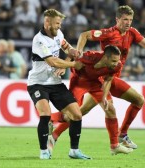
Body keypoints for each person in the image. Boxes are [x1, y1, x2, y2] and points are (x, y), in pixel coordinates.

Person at [51, 5, 145, 149]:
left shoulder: (132, 32)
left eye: (130, 20)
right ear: (117, 19)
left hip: (112, 77)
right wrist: (78, 53)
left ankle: (54, 133)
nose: (128, 22)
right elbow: (85, 35)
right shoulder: (109, 33)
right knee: (111, 107)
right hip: (103, 78)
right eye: (125, 19)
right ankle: (118, 140)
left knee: (83, 111)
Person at [26, 9, 90, 160]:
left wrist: (75, 54)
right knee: (45, 114)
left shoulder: (58, 35)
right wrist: (73, 64)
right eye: (56, 24)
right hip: (38, 83)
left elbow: (68, 48)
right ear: (47, 22)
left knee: (76, 114)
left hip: (55, 82)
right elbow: (52, 61)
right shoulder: (39, 40)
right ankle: (43, 151)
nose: (59, 27)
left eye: (60, 24)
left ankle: (74, 151)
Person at [50, 45, 133, 155]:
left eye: (117, 60)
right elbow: (72, 53)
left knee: (110, 109)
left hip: (95, 83)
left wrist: (103, 97)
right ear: (105, 57)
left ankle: (114, 145)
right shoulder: (89, 56)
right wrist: (63, 66)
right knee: (73, 113)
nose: (116, 63)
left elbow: (108, 79)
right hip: (79, 81)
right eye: (113, 60)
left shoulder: (116, 65)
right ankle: (50, 118)